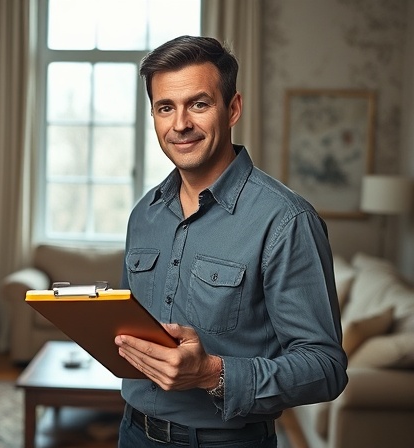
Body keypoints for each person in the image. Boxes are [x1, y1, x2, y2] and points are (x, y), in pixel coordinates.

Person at [114, 35, 348, 448]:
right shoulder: (144, 214)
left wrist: (211, 373)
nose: (180, 124)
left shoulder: (287, 219)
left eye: (198, 104)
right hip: (134, 433)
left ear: (232, 109)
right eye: (165, 108)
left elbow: (325, 367)